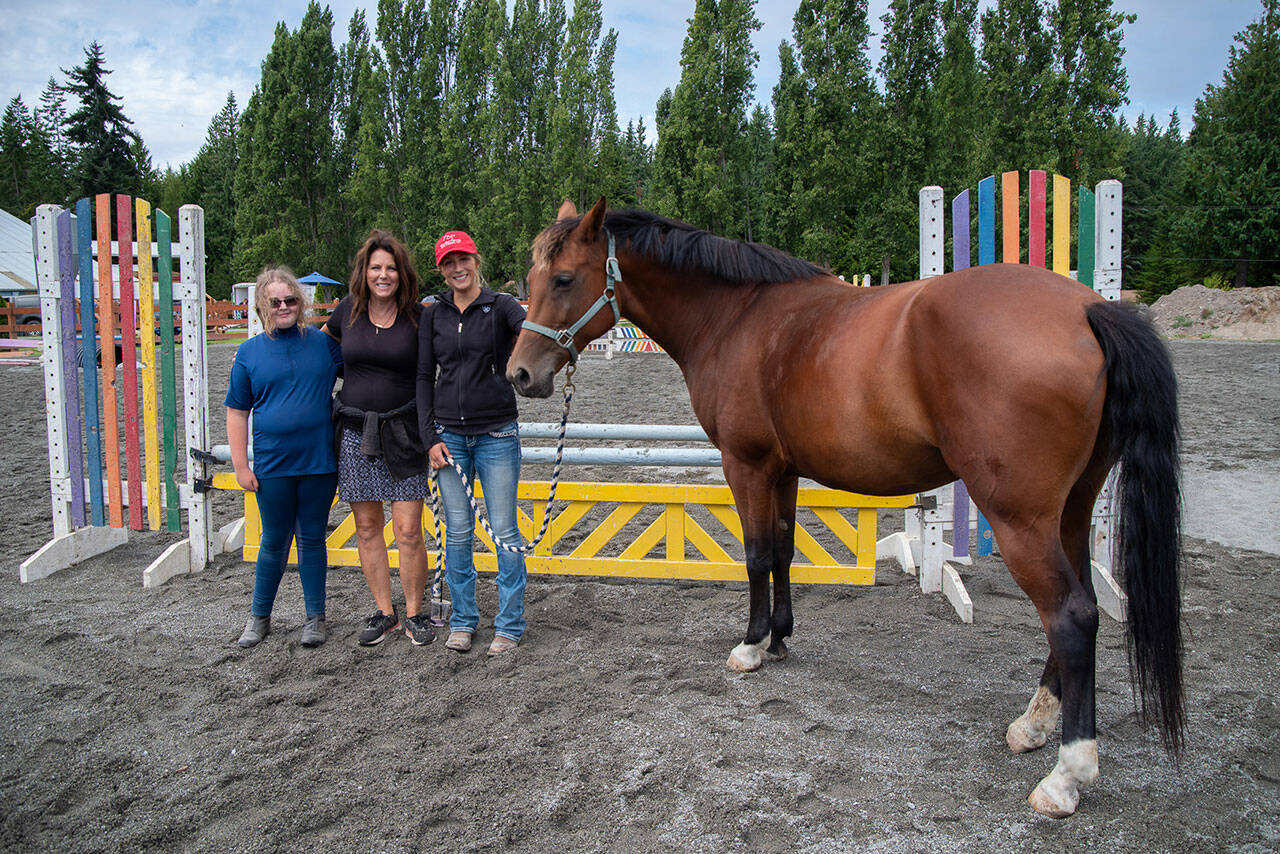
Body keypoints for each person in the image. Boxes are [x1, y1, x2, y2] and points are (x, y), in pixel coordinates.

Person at [417, 230, 527, 656]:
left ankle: (510, 623)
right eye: (448, 263)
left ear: (476, 260)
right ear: (441, 269)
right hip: (448, 438)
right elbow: (425, 377)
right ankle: (463, 620)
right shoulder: (433, 315)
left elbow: (532, 334)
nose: (457, 268)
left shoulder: (501, 306)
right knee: (458, 532)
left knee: (504, 531)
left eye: (463, 259)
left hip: (497, 432)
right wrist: (429, 437)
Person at [323, 229, 434, 647]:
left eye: (390, 268)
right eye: (375, 268)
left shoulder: (418, 317)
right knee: (367, 526)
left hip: (404, 433)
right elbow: (325, 351)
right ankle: (384, 613)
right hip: (354, 432)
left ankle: (415, 612)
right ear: (364, 272)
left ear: (401, 273)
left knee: (408, 529)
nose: (382, 275)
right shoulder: (346, 311)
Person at [227, 268, 342, 648]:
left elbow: (362, 368)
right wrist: (241, 465)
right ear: (262, 305)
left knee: (312, 539)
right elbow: (237, 411)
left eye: (290, 300)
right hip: (273, 465)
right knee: (273, 541)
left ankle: (315, 617)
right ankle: (259, 617)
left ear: (301, 302)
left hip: (318, 462)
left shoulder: (323, 346)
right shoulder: (248, 353)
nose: (283, 307)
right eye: (274, 302)